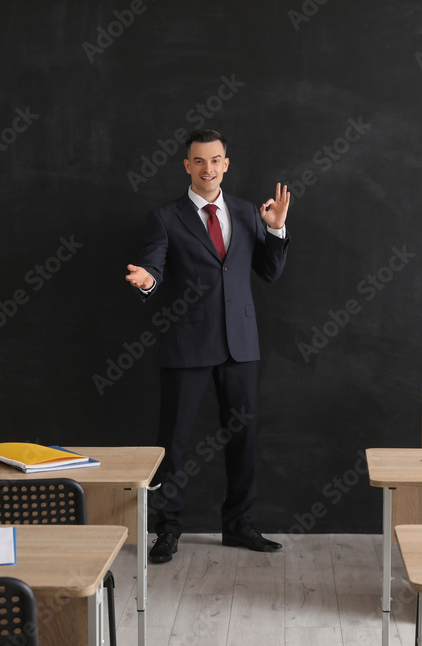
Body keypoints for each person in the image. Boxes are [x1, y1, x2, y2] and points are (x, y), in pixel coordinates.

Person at [125, 129, 290, 563]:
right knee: (173, 445)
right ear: (187, 166)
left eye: (215, 160)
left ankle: (239, 526)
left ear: (226, 163)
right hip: (188, 345)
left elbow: (269, 273)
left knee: (244, 439)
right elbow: (154, 265)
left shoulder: (246, 212)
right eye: (199, 161)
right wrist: (147, 280)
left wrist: (276, 230)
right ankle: (169, 530)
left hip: (241, 346)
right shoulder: (165, 217)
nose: (208, 168)